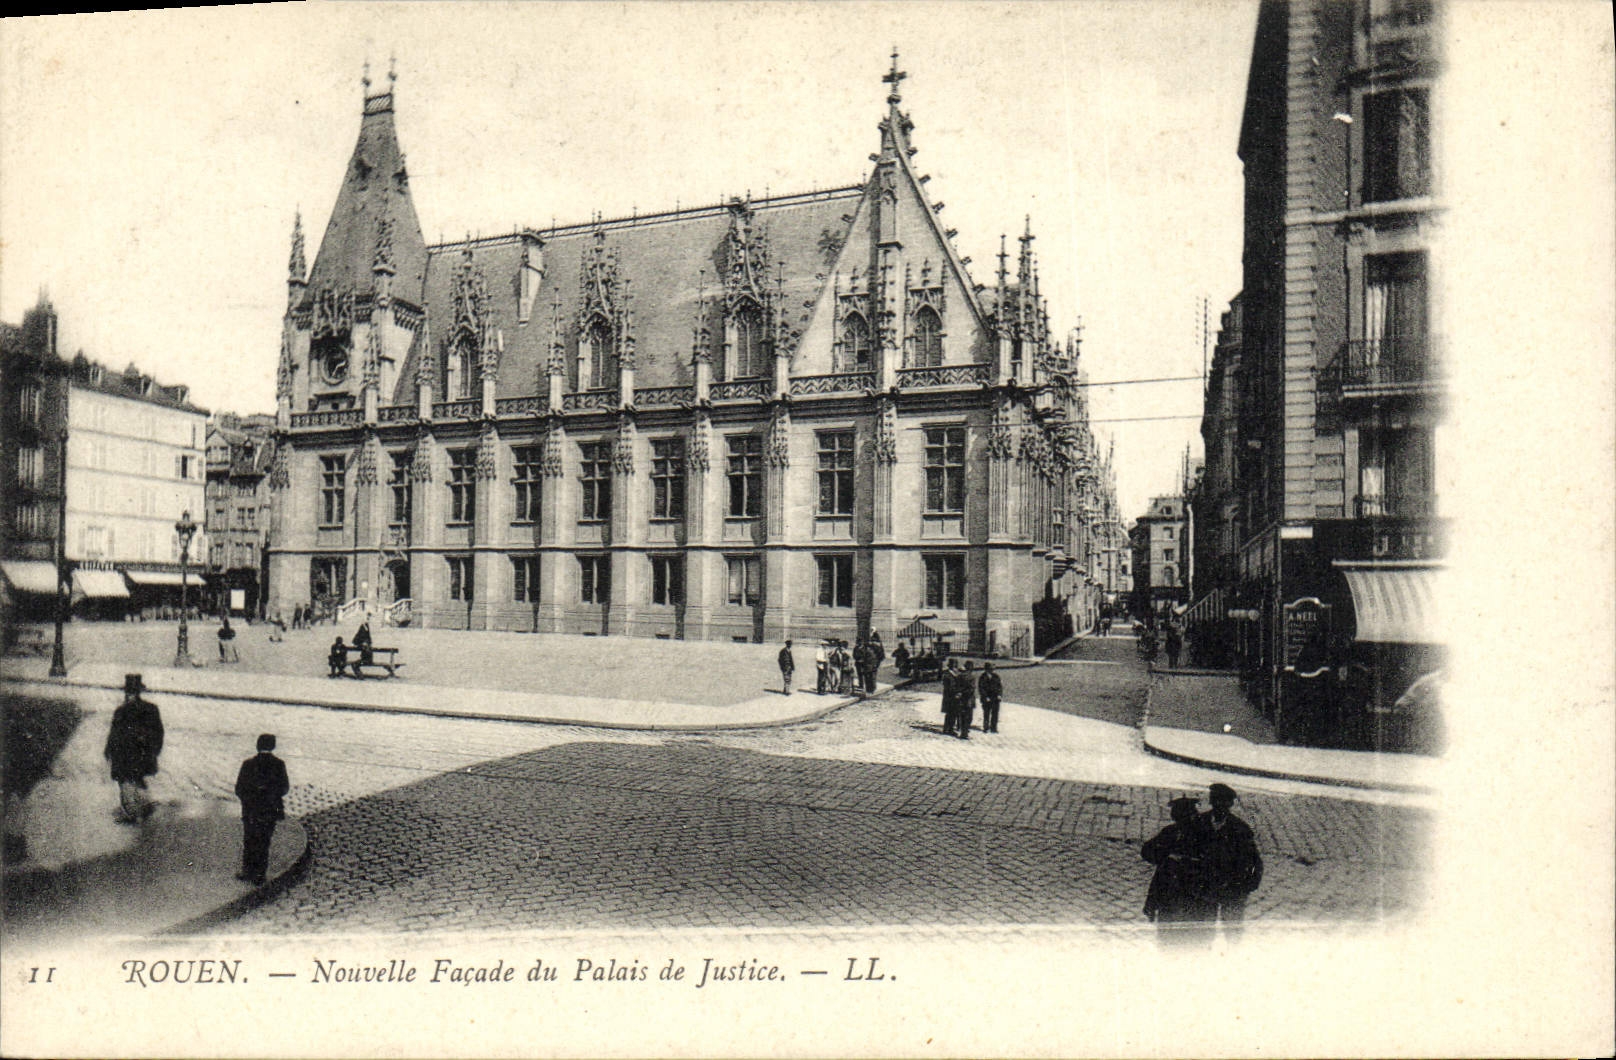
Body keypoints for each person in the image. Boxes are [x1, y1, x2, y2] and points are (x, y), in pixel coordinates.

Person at [1141, 796, 1213, 940]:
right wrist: (1167, 856)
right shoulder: (1171, 832)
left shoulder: (1205, 834)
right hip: (1171, 896)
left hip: (1194, 897)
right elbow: (1147, 851)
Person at [1200, 783, 1263, 939]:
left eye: (1223, 802)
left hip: (1233, 889)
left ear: (1230, 804)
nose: (1219, 806)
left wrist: (1246, 887)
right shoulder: (1200, 822)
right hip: (1206, 887)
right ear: (1211, 802)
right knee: (1203, 931)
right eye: (1215, 801)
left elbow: (1255, 861)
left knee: (1233, 931)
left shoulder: (1241, 829)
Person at [104, 674, 164, 824]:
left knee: (128, 783)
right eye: (128, 693)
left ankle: (135, 813)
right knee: (133, 781)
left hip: (132, 756)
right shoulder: (145, 709)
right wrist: (109, 749)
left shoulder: (134, 710)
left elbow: (157, 732)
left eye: (130, 693)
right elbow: (114, 732)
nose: (128, 696)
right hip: (133, 756)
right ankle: (138, 811)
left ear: (135, 693)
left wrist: (153, 750)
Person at [234, 733, 290, 887]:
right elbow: (284, 788)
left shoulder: (248, 764)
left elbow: (239, 788)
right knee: (264, 841)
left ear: (257, 746)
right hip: (270, 810)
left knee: (249, 840)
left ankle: (247, 871)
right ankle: (260, 874)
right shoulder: (279, 764)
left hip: (251, 810)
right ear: (273, 746)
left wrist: (248, 801)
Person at [978, 662, 1003, 734]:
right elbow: (981, 688)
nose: (992, 671)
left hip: (995, 698)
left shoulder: (996, 676)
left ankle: (994, 728)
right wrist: (985, 696)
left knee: (995, 713)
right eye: (990, 669)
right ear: (986, 669)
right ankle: (986, 727)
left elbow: (1000, 687)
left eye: (993, 669)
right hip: (987, 698)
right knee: (986, 713)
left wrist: (999, 695)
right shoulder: (983, 677)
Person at [956, 661, 978, 739]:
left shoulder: (959, 676)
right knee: (968, 717)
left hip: (961, 699)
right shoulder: (971, 677)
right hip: (968, 699)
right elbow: (971, 689)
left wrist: (960, 693)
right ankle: (964, 733)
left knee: (962, 716)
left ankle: (963, 731)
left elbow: (957, 687)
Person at [939, 659, 960, 736]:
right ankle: (949, 729)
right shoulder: (947, 675)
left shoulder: (953, 675)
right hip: (950, 697)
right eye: (955, 667)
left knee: (952, 713)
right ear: (952, 667)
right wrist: (956, 693)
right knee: (950, 713)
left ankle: (947, 729)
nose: (956, 669)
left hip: (952, 697)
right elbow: (949, 687)